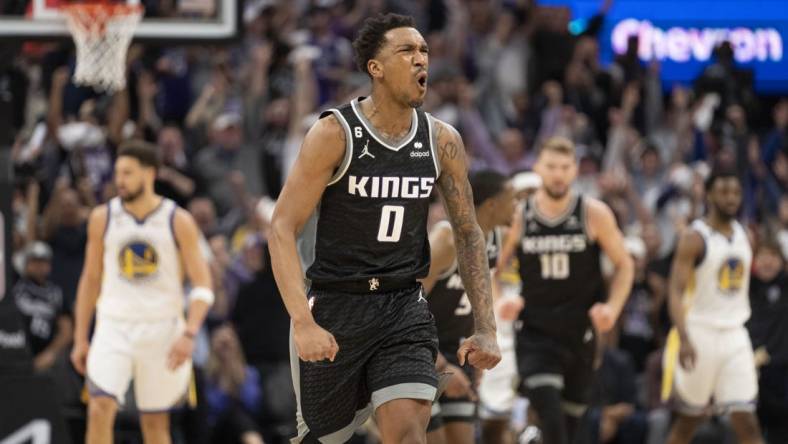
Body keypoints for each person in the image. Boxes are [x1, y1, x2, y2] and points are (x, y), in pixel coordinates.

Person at [269, 13, 501, 444]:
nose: (420, 60)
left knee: (408, 431)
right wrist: (302, 321)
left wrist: (486, 326)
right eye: (407, 51)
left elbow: (468, 232)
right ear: (375, 68)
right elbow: (281, 227)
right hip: (336, 306)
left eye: (424, 51)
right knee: (321, 438)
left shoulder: (441, 140)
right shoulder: (334, 134)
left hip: (403, 306)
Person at [70, 141, 214, 444]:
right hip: (113, 326)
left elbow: (203, 286)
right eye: (117, 172)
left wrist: (189, 333)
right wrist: (81, 337)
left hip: (163, 329)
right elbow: (90, 280)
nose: (119, 180)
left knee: (155, 424)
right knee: (99, 407)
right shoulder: (102, 217)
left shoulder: (178, 220)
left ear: (150, 174)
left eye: (128, 173)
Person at [499, 136, 634, 444]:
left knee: (570, 429)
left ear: (575, 170)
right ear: (538, 169)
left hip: (579, 335)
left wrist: (612, 307)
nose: (558, 174)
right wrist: (501, 299)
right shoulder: (520, 217)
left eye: (564, 167)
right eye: (551, 167)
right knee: (552, 419)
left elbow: (625, 265)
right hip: (535, 334)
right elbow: (490, 268)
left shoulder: (593, 213)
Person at [663, 170, 763, 444]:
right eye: (724, 192)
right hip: (699, 333)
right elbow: (675, 291)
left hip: (735, 336)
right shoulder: (694, 237)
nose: (731, 198)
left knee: (747, 422)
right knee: (688, 421)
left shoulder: (746, 234)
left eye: (736, 193)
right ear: (709, 195)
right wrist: (683, 337)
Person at [421, 170, 515, 444]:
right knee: (430, 438)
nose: (516, 207)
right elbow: (405, 303)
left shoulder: (497, 239)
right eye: (512, 200)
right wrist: (441, 364)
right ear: (491, 205)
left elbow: (480, 300)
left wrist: (479, 347)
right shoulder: (446, 240)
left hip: (457, 350)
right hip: (421, 348)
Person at [12, 241, 73, 373]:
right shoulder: (15, 286)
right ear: (26, 263)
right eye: (34, 261)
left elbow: (66, 330)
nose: (39, 266)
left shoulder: (56, 293)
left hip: (44, 358)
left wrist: (51, 353)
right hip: (13, 351)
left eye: (43, 261)